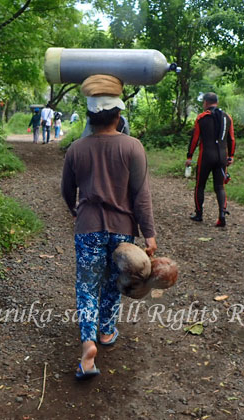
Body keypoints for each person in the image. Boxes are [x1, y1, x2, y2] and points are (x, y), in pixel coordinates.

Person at [61, 75, 157, 380]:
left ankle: (88, 345)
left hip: (88, 227)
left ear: (89, 117)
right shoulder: (133, 147)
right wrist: (150, 234)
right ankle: (105, 332)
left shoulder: (76, 148)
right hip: (122, 231)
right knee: (115, 282)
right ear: (119, 116)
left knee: (87, 285)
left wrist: (77, 211)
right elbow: (141, 196)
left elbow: (66, 190)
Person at [186, 92, 236, 227]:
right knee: (220, 186)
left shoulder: (201, 118)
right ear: (217, 102)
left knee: (200, 185)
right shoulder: (227, 117)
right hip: (222, 157)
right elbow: (231, 138)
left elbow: (195, 139)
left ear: (206, 103)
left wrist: (189, 156)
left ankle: (199, 214)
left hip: (206, 156)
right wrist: (231, 156)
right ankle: (221, 215)